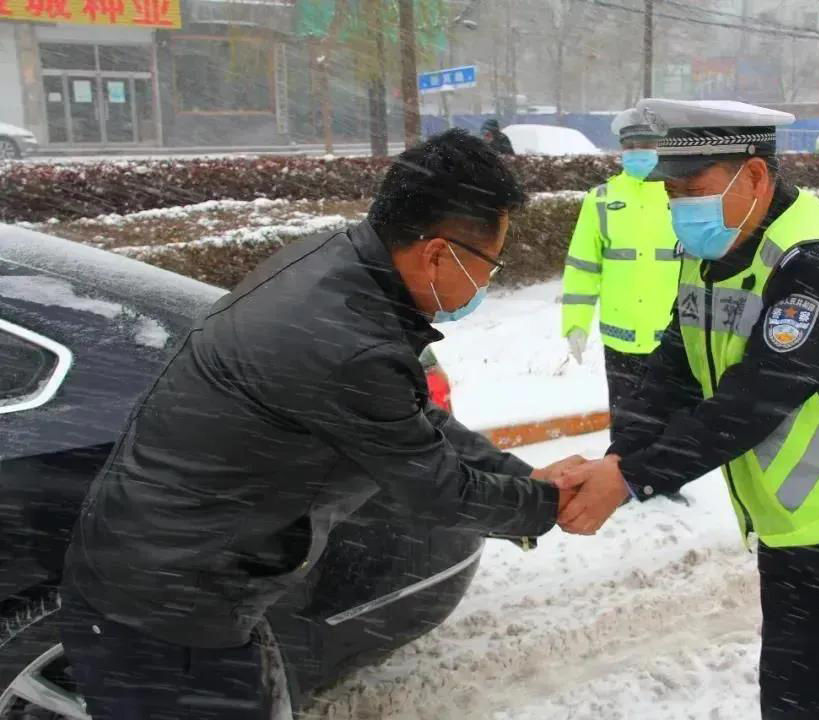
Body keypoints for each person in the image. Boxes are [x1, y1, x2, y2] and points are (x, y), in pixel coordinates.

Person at [59, 129, 581, 719]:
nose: (489, 282)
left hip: (165, 583)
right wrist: (548, 504)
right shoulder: (346, 341)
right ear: (438, 253)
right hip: (167, 619)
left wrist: (522, 474)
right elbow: (435, 490)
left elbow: (407, 415)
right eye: (491, 264)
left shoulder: (335, 263)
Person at [555, 99, 819, 720]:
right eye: (670, 194)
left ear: (753, 176)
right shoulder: (712, 250)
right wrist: (620, 458)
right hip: (793, 533)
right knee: (793, 706)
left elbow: (758, 396)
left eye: (692, 190)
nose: (678, 207)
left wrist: (632, 479)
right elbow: (676, 365)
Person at [561, 108, 679, 439]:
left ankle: (664, 486)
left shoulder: (681, 195)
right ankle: (623, 481)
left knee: (668, 419)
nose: (638, 152)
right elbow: (582, 267)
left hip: (670, 335)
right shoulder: (601, 199)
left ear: (660, 146)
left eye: (646, 144)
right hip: (620, 337)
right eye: (631, 146)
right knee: (626, 420)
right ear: (621, 150)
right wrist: (575, 322)